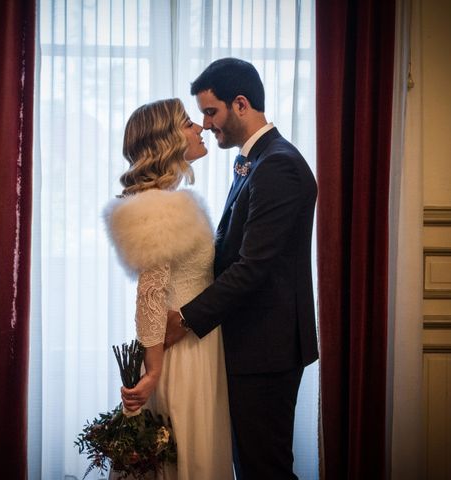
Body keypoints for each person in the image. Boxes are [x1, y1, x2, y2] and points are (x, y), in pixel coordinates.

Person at [163, 58, 318, 479]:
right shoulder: (255, 161)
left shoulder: (279, 165)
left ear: (241, 104)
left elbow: (253, 267)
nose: (207, 124)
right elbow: (228, 251)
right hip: (250, 343)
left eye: (211, 112)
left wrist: (187, 318)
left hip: (266, 347)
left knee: (263, 468)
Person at [104, 98, 234, 479]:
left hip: (198, 342)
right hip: (183, 353)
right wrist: (154, 372)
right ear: (166, 140)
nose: (200, 128)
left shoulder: (172, 202)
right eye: (189, 123)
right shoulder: (160, 208)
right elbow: (150, 294)